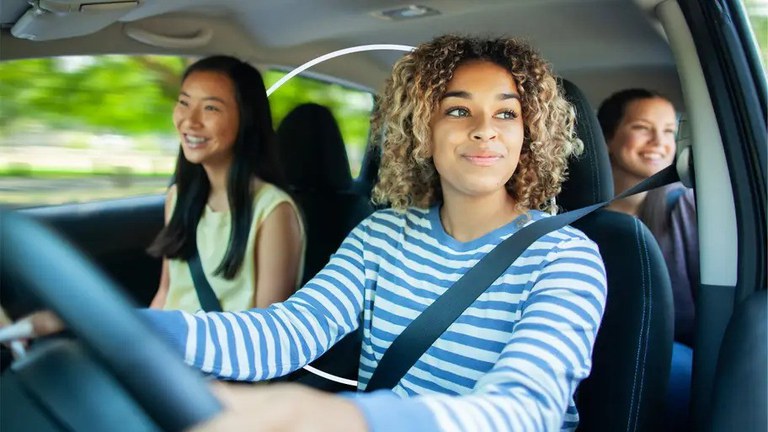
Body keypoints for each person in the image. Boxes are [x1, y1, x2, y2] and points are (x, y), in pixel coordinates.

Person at [27, 36, 607, 431]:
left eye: (506, 113)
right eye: (458, 110)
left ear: (529, 134)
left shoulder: (565, 258)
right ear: (420, 129)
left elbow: (526, 409)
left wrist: (345, 417)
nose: (485, 130)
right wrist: (114, 326)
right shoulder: (384, 236)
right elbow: (282, 332)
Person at [147, 55, 306, 312]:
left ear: (247, 119)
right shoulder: (178, 197)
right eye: (184, 103)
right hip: (166, 344)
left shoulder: (273, 210)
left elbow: (267, 330)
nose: (190, 121)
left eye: (210, 108)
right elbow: (166, 294)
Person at [597, 88, 698, 431]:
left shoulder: (687, 207)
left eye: (669, 131)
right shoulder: (569, 212)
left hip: (667, 351)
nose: (660, 141)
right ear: (608, 137)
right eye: (642, 127)